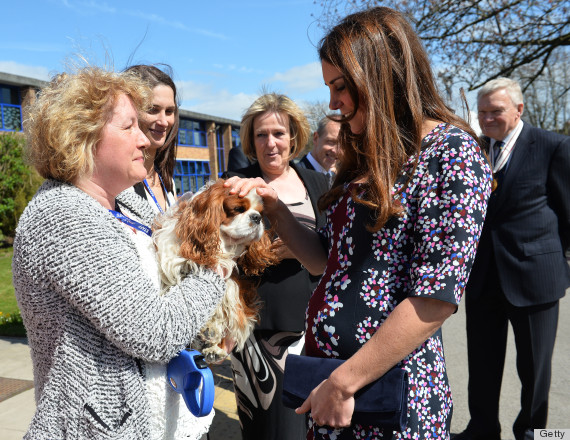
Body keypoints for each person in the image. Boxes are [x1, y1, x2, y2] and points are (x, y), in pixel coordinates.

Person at [225, 7, 492, 439]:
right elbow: (321, 262)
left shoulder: (451, 155)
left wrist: (345, 381)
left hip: (386, 392)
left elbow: (435, 297)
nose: (332, 103)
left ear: (382, 74)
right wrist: (274, 209)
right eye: (329, 87)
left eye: (341, 86)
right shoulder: (364, 155)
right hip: (332, 386)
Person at [12, 66, 226, 440]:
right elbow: (154, 332)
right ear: (81, 136)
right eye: (130, 127)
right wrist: (218, 271)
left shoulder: (123, 204)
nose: (146, 139)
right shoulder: (64, 215)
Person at [454, 78, 570, 440]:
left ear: (519, 110)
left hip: (535, 277)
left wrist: (550, 256)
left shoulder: (554, 146)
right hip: (484, 277)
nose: (487, 119)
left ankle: (533, 433)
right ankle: (482, 428)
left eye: (496, 111)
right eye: (483, 112)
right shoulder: (474, 150)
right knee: (483, 363)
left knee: (535, 369)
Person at [223, 93, 329, 440]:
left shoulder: (319, 184)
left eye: (278, 134)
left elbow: (334, 252)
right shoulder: (236, 185)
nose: (271, 143)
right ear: (251, 141)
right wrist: (268, 251)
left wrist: (301, 250)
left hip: (316, 331)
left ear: (294, 136)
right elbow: (221, 252)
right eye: (261, 135)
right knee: (271, 432)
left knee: (314, 427)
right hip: (260, 333)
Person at [125, 64, 179, 212]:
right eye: (152, 110)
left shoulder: (168, 182)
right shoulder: (117, 183)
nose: (163, 121)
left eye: (169, 111)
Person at [297, 115, 340, 186]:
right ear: (316, 138)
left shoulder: (336, 181)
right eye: (331, 142)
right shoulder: (297, 177)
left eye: (344, 145)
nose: (336, 151)